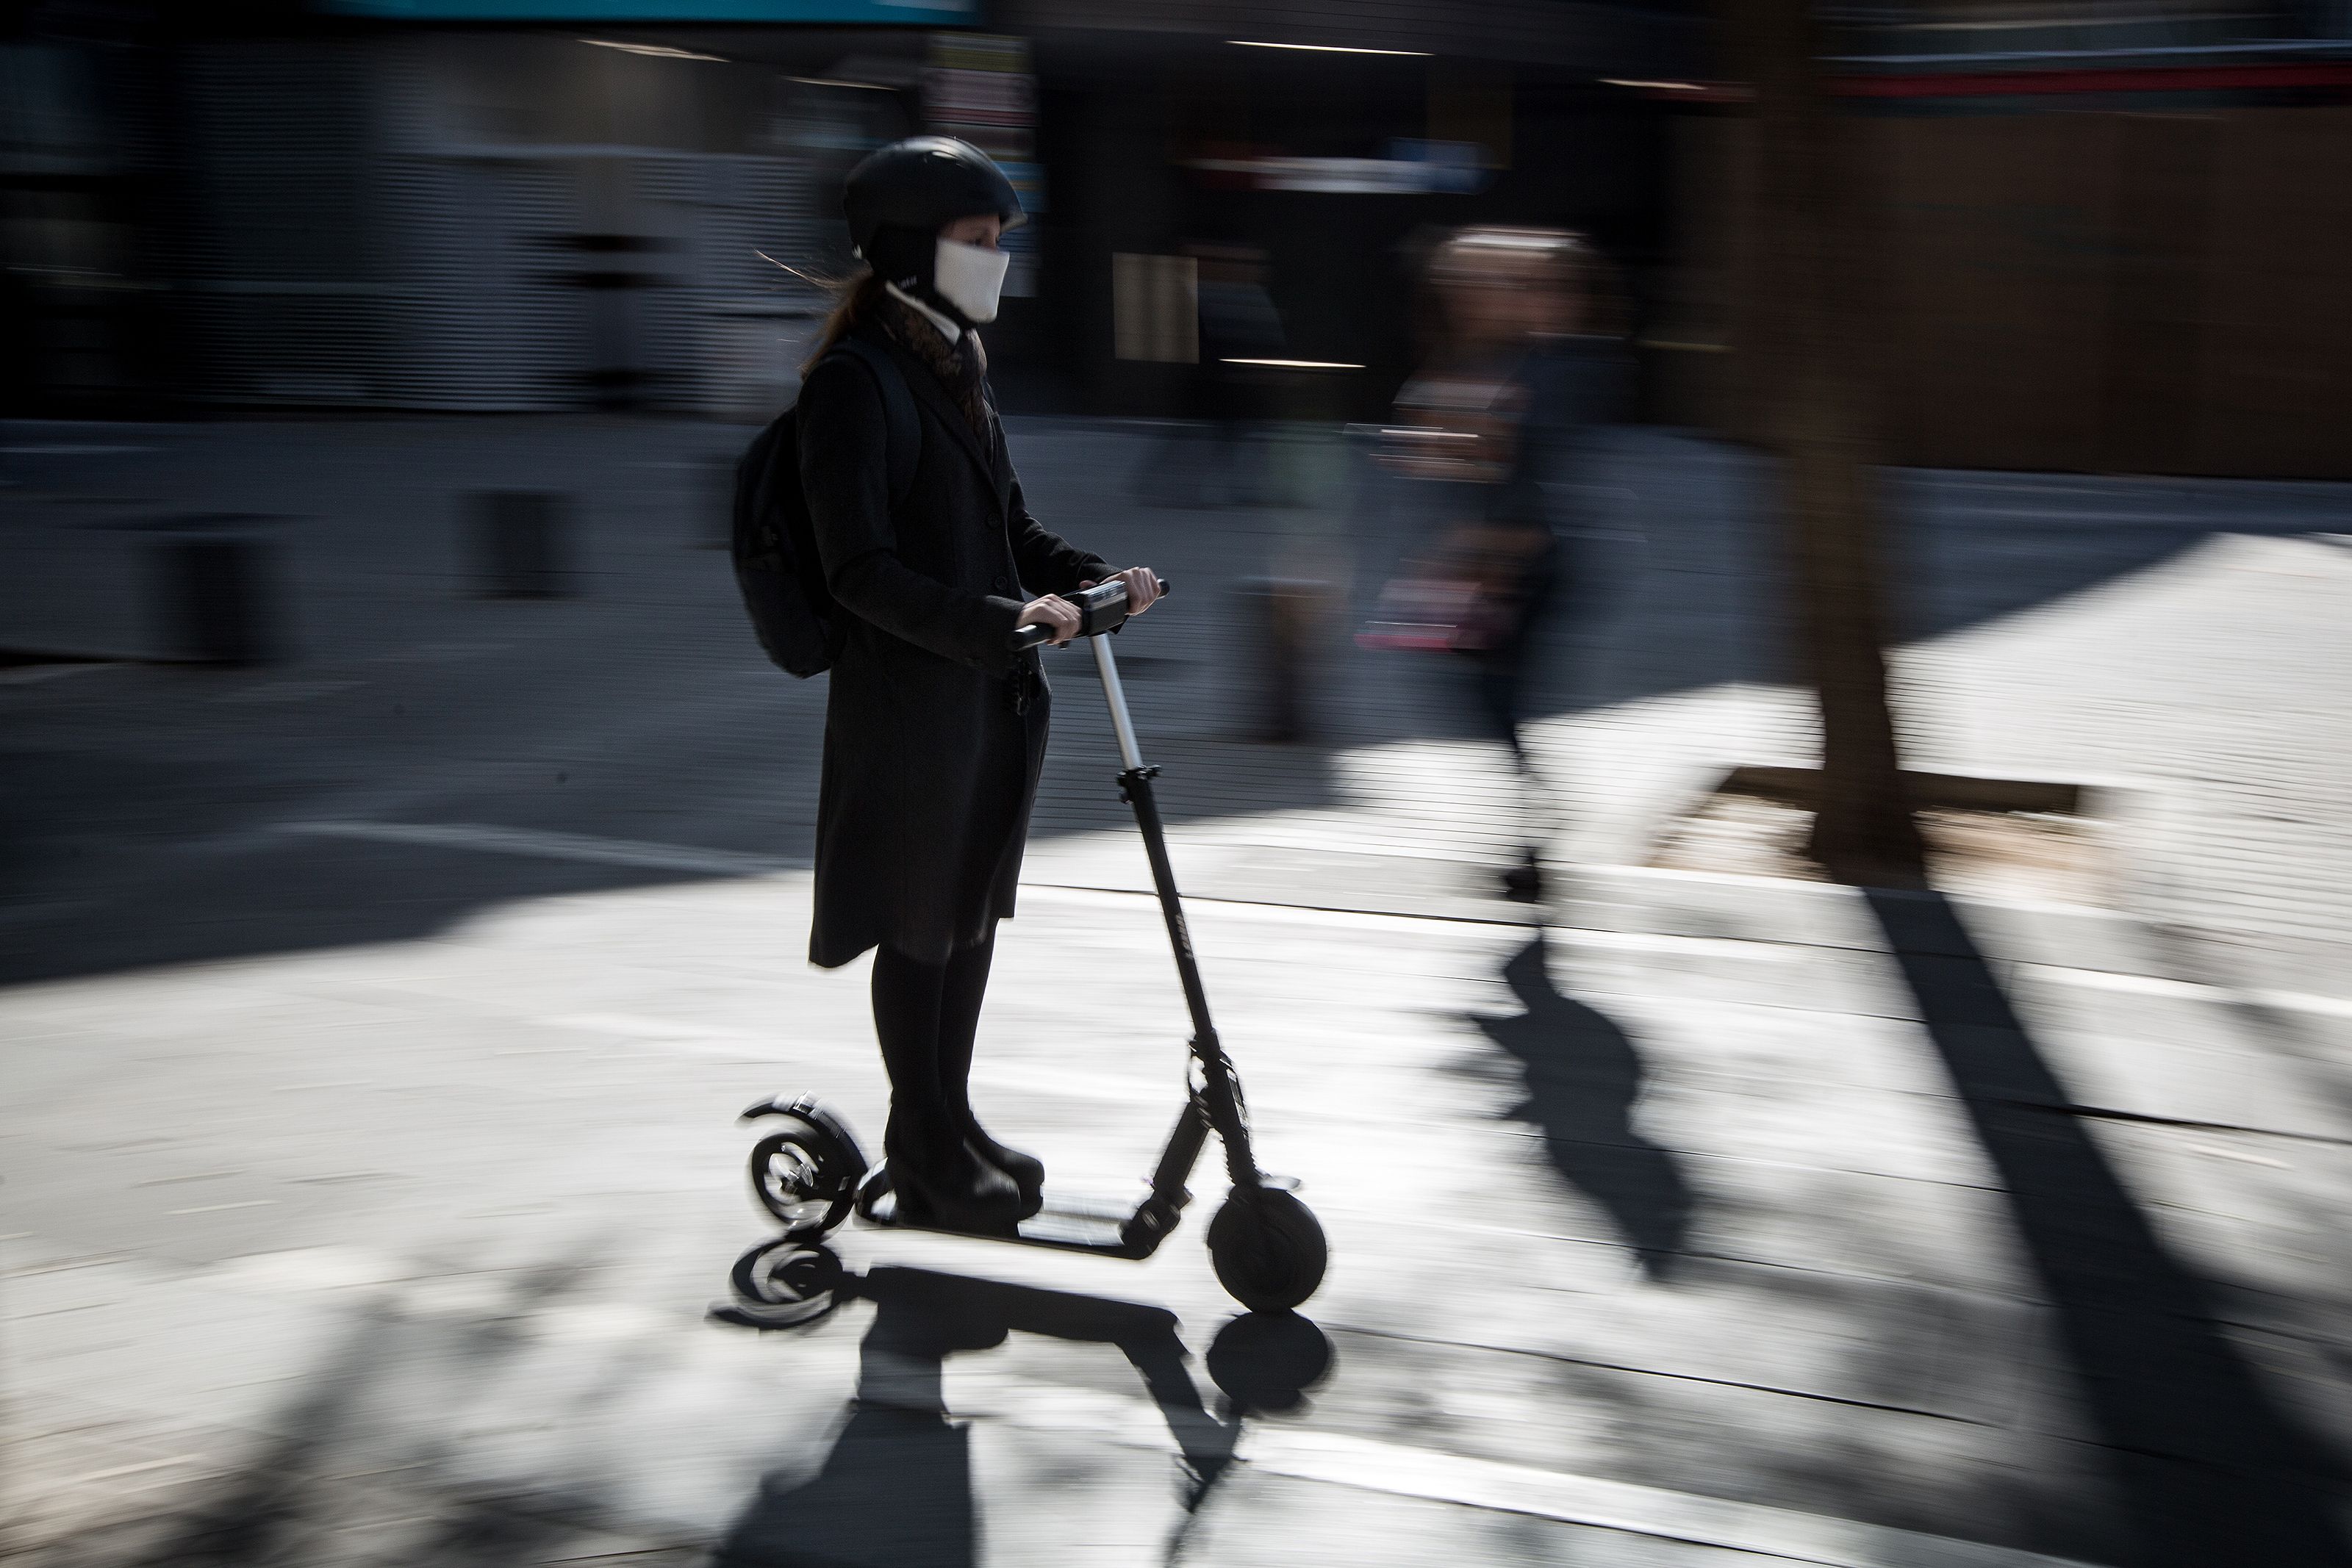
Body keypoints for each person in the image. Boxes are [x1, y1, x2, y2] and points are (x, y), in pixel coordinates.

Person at [796, 137, 1161, 1231]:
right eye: (977, 241)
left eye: (1001, 242)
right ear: (911, 248)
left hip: (987, 702)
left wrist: (1091, 577)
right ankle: (923, 1148)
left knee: (966, 919)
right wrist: (1000, 621)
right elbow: (856, 570)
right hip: (910, 712)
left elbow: (1008, 531)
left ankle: (947, 1120)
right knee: (919, 927)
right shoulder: (856, 385)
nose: (995, 261)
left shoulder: (956, 367)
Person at [1365, 226, 1631, 901]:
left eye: (1485, 282)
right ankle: (1533, 823)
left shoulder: (1555, 367)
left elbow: (1527, 467)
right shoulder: (1490, 358)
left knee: (1495, 697)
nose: (1466, 295)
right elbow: (1451, 451)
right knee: (1475, 696)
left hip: (1529, 566)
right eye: (1460, 282)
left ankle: (1534, 835)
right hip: (1474, 565)